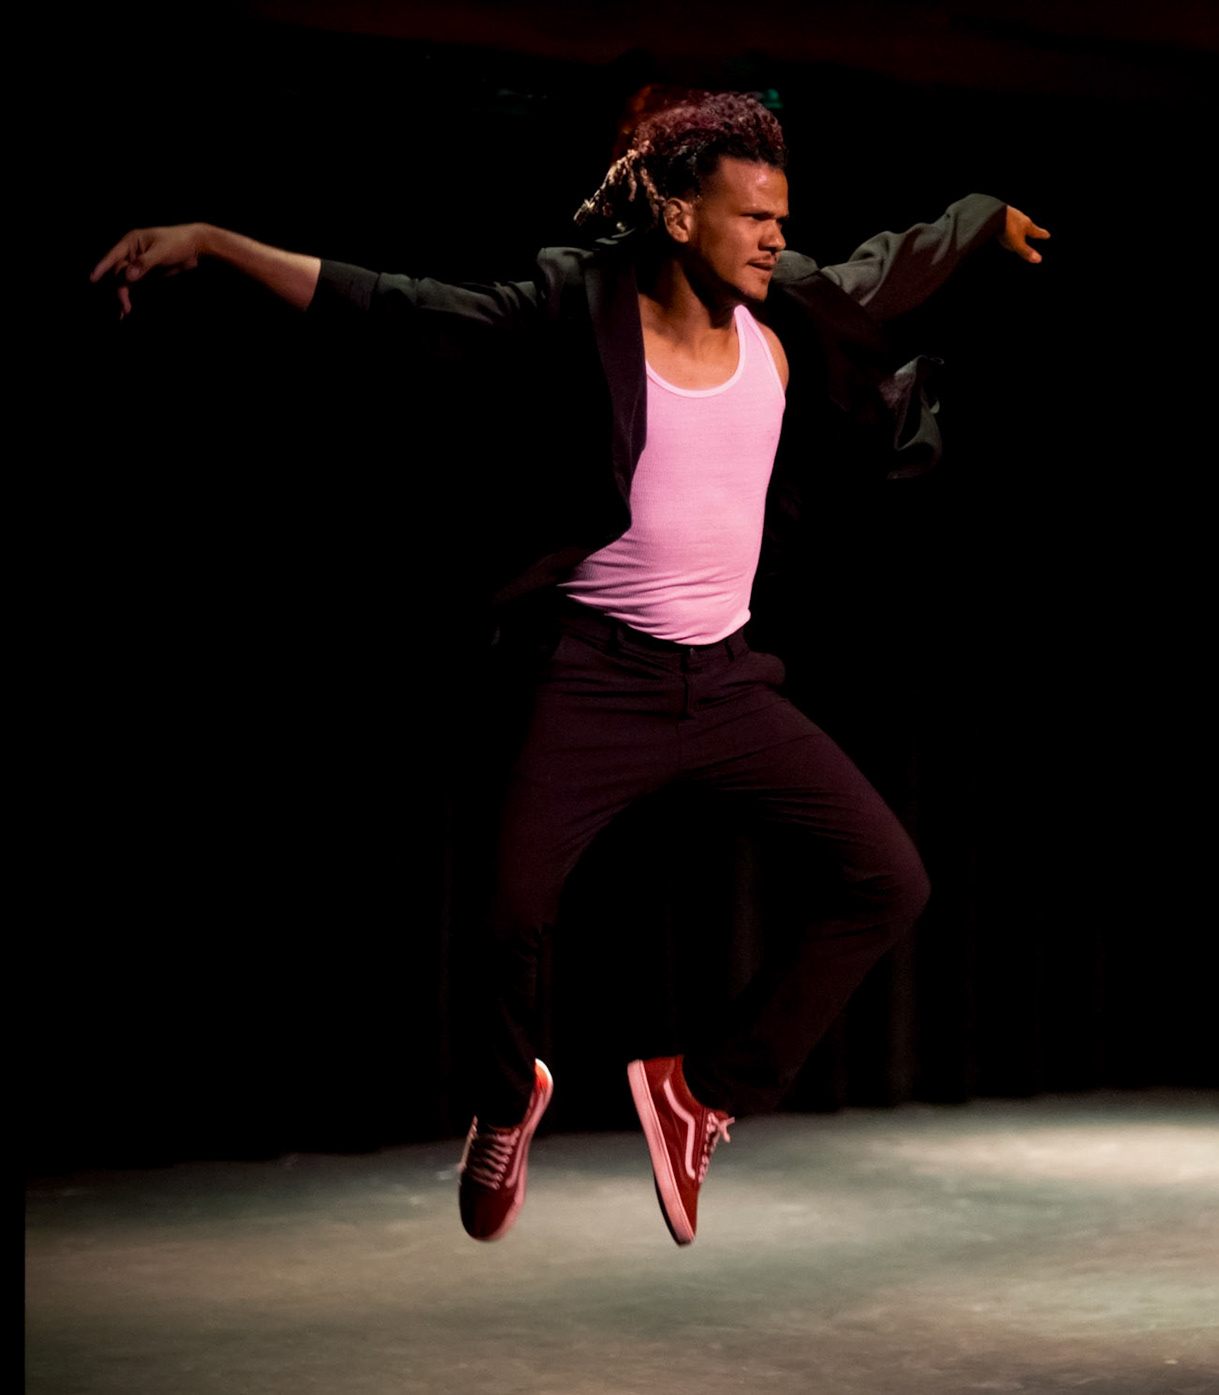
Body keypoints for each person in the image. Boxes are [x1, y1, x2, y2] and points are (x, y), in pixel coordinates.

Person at [91, 90, 1048, 1247]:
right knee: (508, 916)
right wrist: (215, 243)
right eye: (753, 218)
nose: (774, 238)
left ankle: (703, 1094)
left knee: (889, 881)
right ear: (681, 217)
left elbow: (892, 267)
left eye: (781, 219)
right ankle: (506, 1105)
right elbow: (398, 306)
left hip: (728, 684)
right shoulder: (576, 316)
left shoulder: (788, 312)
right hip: (594, 678)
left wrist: (981, 219)